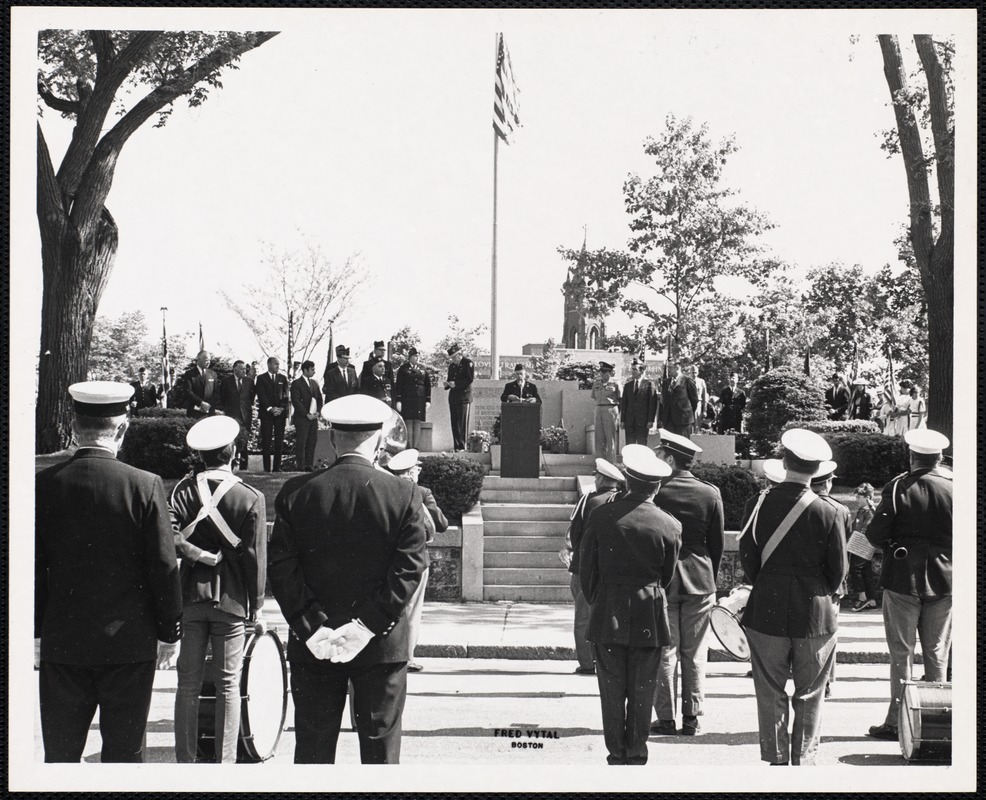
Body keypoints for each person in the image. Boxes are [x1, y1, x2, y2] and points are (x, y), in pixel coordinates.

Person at [268, 394, 429, 764]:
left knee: (313, 750)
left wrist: (313, 627)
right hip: (381, 643)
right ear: (377, 440)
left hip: (315, 645)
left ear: (334, 439)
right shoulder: (404, 492)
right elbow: (408, 570)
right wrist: (366, 627)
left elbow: (282, 569)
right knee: (380, 755)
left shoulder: (297, 492)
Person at [35, 382, 182, 762]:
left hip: (63, 641)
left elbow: (32, 567)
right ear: (122, 428)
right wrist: (170, 631)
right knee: (124, 756)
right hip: (128, 644)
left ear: (73, 425)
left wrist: (36, 632)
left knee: (60, 758)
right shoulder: (143, 485)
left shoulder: (43, 485)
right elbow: (164, 567)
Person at [738, 428, 847, 766]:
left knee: (769, 690)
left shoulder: (758, 503)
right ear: (817, 470)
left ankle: (775, 758)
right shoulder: (830, 511)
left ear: (784, 462)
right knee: (811, 692)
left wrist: (769, 582)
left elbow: (748, 555)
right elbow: (838, 571)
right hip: (815, 612)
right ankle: (802, 759)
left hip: (767, 606)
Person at [169, 416, 267, 763]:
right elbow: (255, 558)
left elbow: (169, 536)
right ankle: (224, 763)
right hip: (233, 600)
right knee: (228, 685)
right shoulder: (249, 495)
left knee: (188, 685)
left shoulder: (182, 491)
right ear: (234, 452)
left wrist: (197, 554)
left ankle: (186, 759)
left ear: (202, 456)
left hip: (191, 597)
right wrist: (257, 608)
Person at [580, 445, 680, 765]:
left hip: (609, 606)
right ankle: (636, 750)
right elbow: (668, 577)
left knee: (611, 688)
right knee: (643, 686)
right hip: (649, 607)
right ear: (657, 486)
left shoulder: (600, 514)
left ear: (626, 478)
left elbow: (587, 573)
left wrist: (603, 598)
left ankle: (617, 751)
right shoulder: (670, 524)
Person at [864, 428, 952, 742]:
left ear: (912, 457)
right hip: (945, 578)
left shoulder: (899, 486)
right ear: (940, 457)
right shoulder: (957, 487)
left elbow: (874, 536)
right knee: (937, 653)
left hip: (903, 577)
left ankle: (896, 721)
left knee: (901, 654)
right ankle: (937, 722)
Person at [650, 430, 724, 737]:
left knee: (665, 651)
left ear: (669, 458)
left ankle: (665, 718)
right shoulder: (709, 493)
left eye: (660, 454)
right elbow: (716, 544)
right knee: (695, 653)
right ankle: (692, 717)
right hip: (699, 580)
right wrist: (710, 578)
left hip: (663, 580)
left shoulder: (655, 491)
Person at [558, 458, 625, 675]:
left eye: (597, 475)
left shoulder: (588, 500)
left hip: (585, 568)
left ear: (603, 478)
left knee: (584, 617)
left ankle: (587, 662)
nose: (595, 478)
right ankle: (608, 660)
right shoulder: (623, 500)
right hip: (613, 569)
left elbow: (574, 533)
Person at [386, 448, 448, 672]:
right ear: (411, 473)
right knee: (412, 610)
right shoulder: (421, 492)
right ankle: (407, 656)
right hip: (417, 559)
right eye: (417, 469)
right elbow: (441, 523)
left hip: (386, 558)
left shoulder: (383, 488)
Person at [847, 483, 879, 612]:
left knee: (855, 569)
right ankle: (871, 600)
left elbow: (865, 529)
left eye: (859, 497)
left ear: (867, 497)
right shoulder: (862, 510)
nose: (856, 500)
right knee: (865, 570)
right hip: (859, 543)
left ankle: (862, 597)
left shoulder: (870, 511)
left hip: (863, 544)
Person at [219, 359, 256, 470]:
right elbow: (222, 398)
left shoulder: (249, 381)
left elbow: (251, 397)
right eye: (241, 369)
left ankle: (244, 467)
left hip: (245, 415)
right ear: (234, 369)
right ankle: (230, 465)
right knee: (231, 441)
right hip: (231, 415)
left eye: (245, 369)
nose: (244, 371)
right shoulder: (226, 381)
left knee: (244, 441)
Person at [256, 356, 290, 472]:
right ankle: (266, 468)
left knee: (279, 441)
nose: (278, 366)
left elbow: (286, 396)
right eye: (276, 364)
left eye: (278, 364)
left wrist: (281, 409)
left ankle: (277, 468)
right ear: (269, 364)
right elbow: (261, 395)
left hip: (280, 415)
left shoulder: (283, 378)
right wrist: (270, 409)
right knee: (266, 441)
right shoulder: (261, 378)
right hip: (267, 415)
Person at [394, 348, 432, 449]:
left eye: (418, 356)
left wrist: (428, 400)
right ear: (410, 357)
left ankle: (416, 447)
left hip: (420, 400)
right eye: (415, 356)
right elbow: (399, 385)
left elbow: (427, 385)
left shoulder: (423, 368)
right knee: (409, 422)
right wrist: (398, 400)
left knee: (417, 422)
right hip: (407, 400)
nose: (417, 358)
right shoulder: (403, 369)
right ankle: (410, 446)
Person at [291, 360, 324, 471]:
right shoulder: (296, 383)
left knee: (312, 442)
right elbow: (296, 401)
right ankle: (300, 466)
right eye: (312, 369)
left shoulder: (315, 383)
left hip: (313, 419)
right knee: (302, 442)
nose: (314, 371)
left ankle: (309, 465)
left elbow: (319, 399)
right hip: (302, 419)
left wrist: (318, 412)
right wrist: (306, 414)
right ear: (305, 370)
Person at [619, 359, 659, 446]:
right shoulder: (627, 386)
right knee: (629, 446)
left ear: (641, 371)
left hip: (642, 421)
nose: (632, 371)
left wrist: (650, 420)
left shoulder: (649, 384)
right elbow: (624, 404)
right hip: (629, 421)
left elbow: (652, 403)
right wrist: (622, 420)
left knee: (642, 445)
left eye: (635, 369)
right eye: (632, 369)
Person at [444, 344, 475, 452]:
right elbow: (450, 379)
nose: (453, 360)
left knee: (462, 422)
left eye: (454, 357)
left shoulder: (468, 363)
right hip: (453, 397)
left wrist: (456, 384)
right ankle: (456, 445)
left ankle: (462, 446)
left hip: (463, 397)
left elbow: (469, 379)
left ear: (459, 354)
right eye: (451, 358)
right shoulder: (452, 366)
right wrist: (447, 384)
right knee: (455, 423)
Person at [590, 361, 621, 463]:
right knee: (599, 440)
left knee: (610, 439)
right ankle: (600, 467)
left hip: (611, 410)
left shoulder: (616, 383)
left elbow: (620, 398)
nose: (602, 374)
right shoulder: (596, 383)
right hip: (599, 409)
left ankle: (611, 465)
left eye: (605, 372)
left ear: (611, 372)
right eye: (601, 372)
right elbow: (594, 396)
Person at [663, 362, 698, 437]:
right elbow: (664, 400)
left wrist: (686, 413)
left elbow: (694, 400)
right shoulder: (666, 382)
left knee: (683, 445)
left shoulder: (688, 381)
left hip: (683, 421)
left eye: (670, 367)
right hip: (669, 421)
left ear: (677, 368)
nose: (668, 370)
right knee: (670, 445)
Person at [183, 350, 219, 418]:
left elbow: (216, 392)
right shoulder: (190, 374)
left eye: (209, 360)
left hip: (209, 412)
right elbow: (187, 391)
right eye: (206, 360)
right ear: (199, 359)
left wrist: (208, 405)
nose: (208, 362)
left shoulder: (213, 374)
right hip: (194, 412)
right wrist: (201, 403)